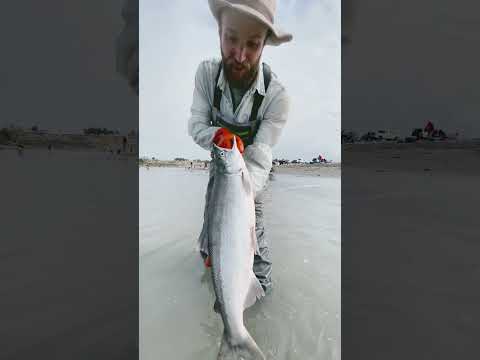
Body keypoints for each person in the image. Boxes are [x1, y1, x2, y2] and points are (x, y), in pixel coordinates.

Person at [188, 0, 292, 293]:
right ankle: (217, 298)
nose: (240, 55)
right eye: (231, 38)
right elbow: (195, 126)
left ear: (265, 45)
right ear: (219, 31)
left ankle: (254, 310)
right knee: (210, 246)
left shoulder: (277, 97)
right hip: (220, 168)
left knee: (258, 261)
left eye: (253, 44)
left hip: (252, 177)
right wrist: (218, 135)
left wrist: (241, 199)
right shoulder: (206, 75)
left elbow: (260, 158)